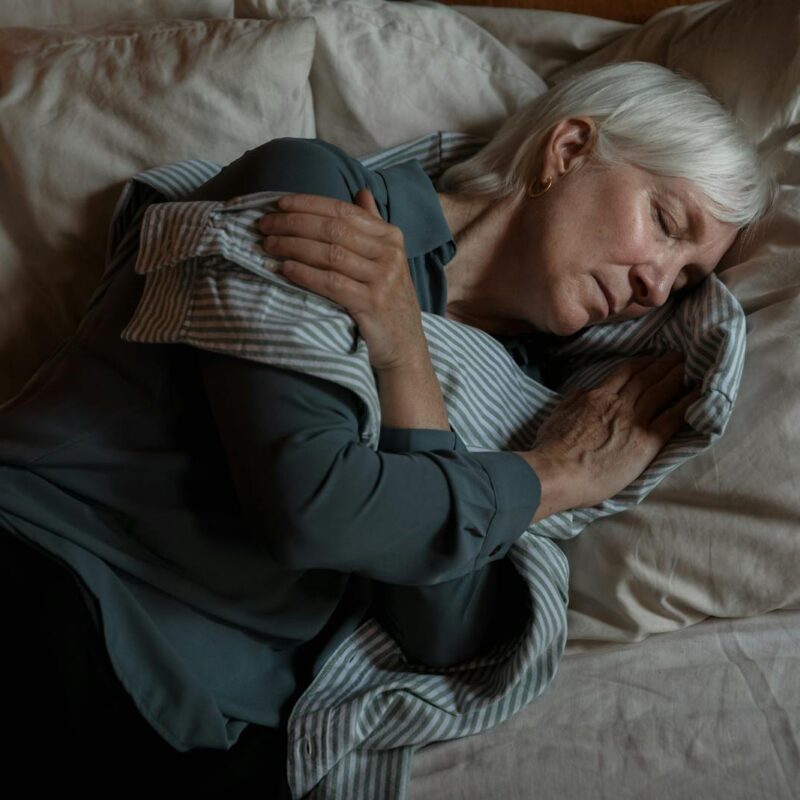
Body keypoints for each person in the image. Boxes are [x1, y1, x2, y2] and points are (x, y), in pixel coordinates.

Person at [0, 61, 775, 791]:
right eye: (666, 224)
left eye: (685, 283)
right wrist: (553, 478)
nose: (655, 286)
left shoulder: (533, 401)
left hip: (211, 726)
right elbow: (310, 508)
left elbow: (444, 634)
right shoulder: (319, 194)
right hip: (53, 580)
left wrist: (409, 368)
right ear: (568, 150)